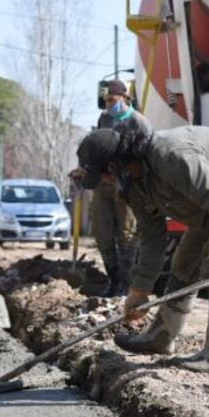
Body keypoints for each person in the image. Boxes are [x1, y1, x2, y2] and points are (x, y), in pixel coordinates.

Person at [76, 125, 209, 373]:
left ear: (114, 166)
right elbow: (152, 236)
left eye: (103, 177)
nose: (105, 184)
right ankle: (162, 337)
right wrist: (140, 289)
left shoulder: (170, 155)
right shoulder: (133, 184)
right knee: (183, 262)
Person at [91, 80, 150, 297]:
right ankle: (113, 281)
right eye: (105, 101)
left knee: (127, 236)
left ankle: (126, 286)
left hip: (126, 187)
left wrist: (126, 182)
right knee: (102, 233)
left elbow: (143, 159)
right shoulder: (104, 119)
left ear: (124, 98)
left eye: (111, 100)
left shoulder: (138, 123)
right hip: (103, 184)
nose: (108, 105)